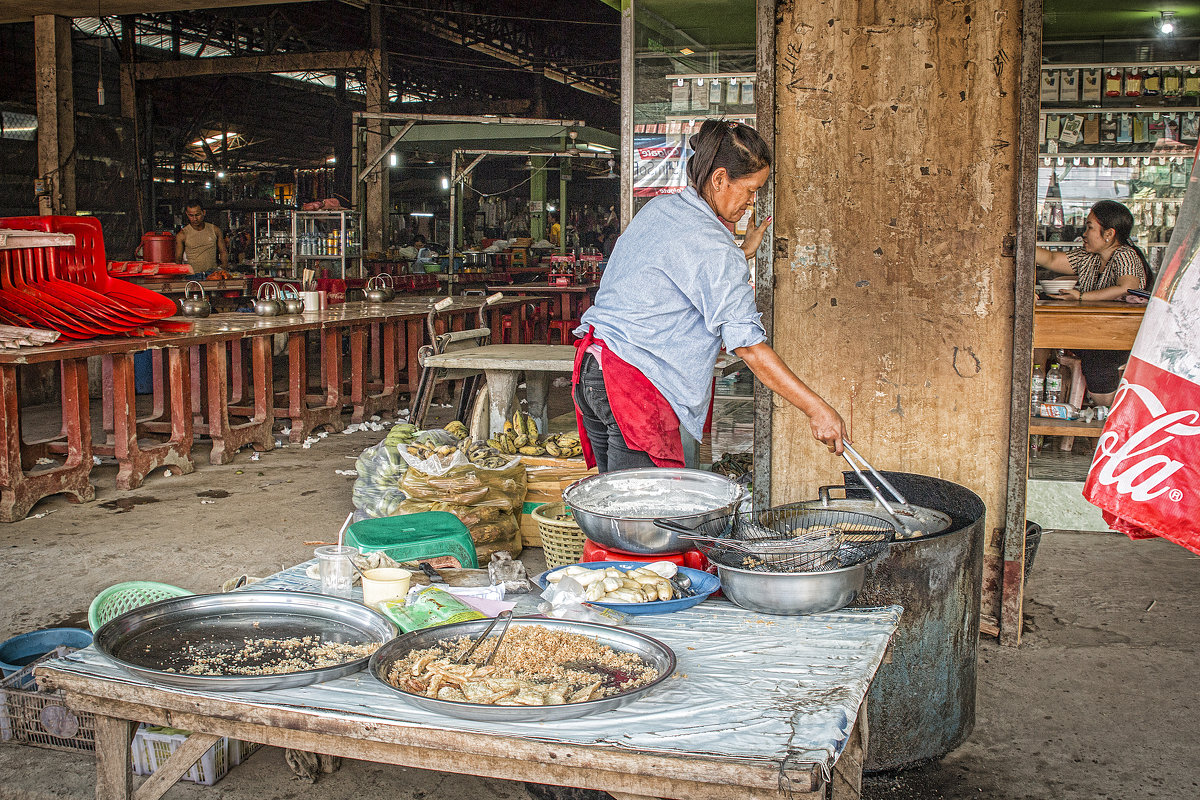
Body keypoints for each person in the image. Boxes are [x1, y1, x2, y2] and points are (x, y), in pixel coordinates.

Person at [571, 119, 848, 473]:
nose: (752, 201)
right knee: (643, 520)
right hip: (633, 386)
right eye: (749, 190)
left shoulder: (661, 209)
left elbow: (676, 270)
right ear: (719, 179)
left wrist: (740, 253)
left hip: (593, 372)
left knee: (616, 509)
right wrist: (816, 408)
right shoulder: (713, 246)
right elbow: (747, 345)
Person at [1035, 199, 1150, 405]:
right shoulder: (1088, 258)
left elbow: (1126, 287)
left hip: (1118, 338)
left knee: (1098, 363)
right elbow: (1051, 259)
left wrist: (1080, 297)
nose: (1084, 234)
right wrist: (1023, 244)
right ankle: (1037, 396)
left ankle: (1104, 419)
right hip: (1090, 333)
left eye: (1090, 228)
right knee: (1041, 337)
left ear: (1109, 234)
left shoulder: (1125, 255)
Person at [175, 201, 228, 273]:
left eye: (197, 215)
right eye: (191, 215)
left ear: (204, 212)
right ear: (187, 214)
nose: (195, 219)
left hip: (212, 275)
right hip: (192, 276)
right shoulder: (182, 234)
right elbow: (178, 259)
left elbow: (223, 252)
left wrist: (224, 269)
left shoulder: (215, 230)